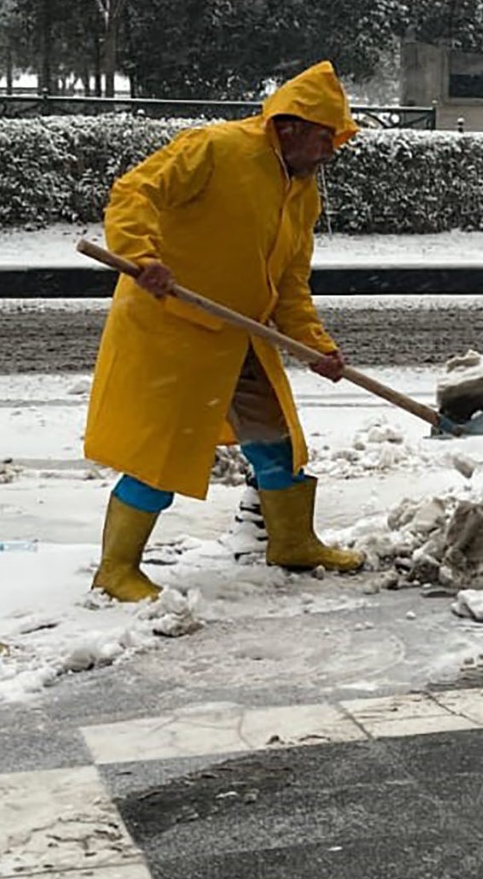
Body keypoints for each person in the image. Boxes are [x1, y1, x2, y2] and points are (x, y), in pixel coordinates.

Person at [82, 61, 365, 601]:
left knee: (276, 438)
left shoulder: (302, 193)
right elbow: (134, 193)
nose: (332, 151)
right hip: (175, 329)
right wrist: (142, 257)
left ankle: (291, 541)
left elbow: (288, 283)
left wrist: (317, 346)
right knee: (162, 451)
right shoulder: (214, 149)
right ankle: (116, 570)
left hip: (243, 334)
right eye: (326, 138)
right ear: (290, 127)